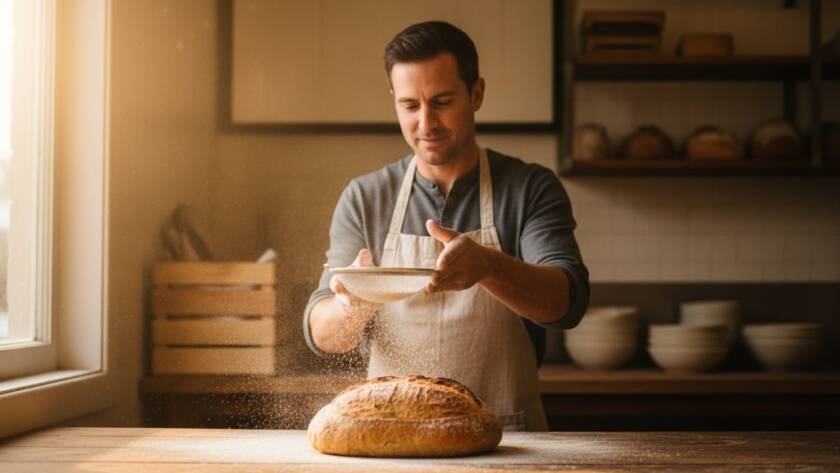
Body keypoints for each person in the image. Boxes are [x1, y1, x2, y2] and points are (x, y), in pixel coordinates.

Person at [303, 21, 588, 431]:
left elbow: (566, 304)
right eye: (410, 106)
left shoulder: (529, 188)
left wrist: (490, 267)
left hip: (508, 439)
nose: (426, 123)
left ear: (476, 94)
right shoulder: (365, 197)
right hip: (393, 437)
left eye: (441, 102)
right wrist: (353, 306)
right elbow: (323, 333)